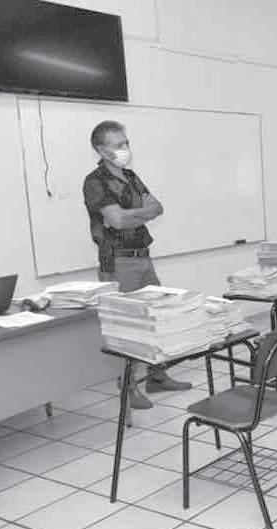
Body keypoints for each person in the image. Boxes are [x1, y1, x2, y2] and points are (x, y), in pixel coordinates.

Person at [83, 120, 191, 409]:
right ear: (101, 150)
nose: (125, 149)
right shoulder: (95, 181)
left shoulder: (131, 176)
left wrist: (132, 214)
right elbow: (116, 221)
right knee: (126, 327)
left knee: (156, 315)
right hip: (117, 261)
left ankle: (157, 376)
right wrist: (141, 213)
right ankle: (128, 386)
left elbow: (158, 206)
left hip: (142, 256)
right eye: (118, 145)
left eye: (126, 143)